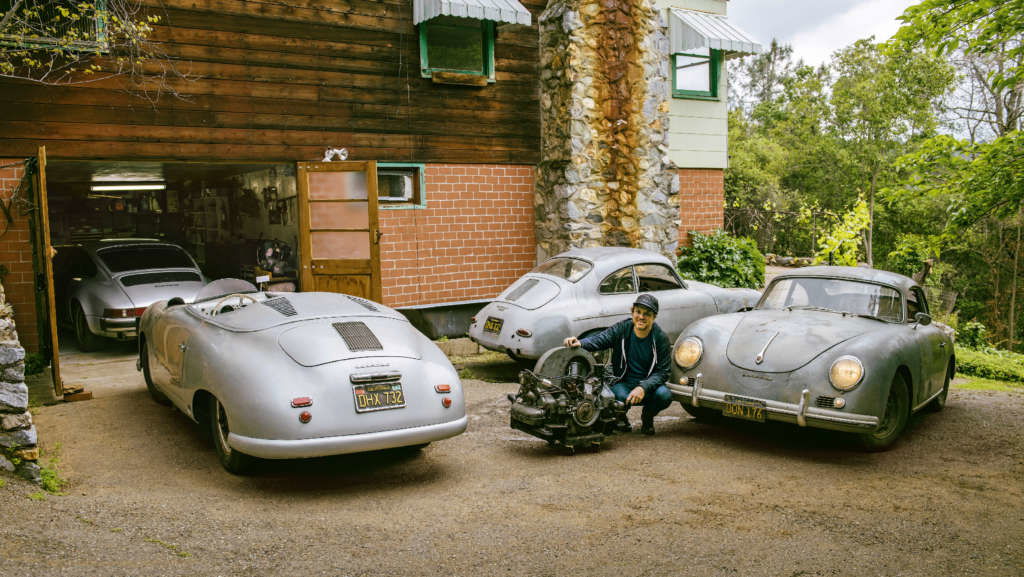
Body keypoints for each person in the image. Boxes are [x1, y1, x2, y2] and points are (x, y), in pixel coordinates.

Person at [563, 293, 672, 435]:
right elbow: (602, 338)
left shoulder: (660, 338)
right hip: (624, 382)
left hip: (649, 386)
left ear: (654, 317)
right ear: (632, 312)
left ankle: (647, 417)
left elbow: (663, 372)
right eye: (638, 312)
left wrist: (643, 387)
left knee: (665, 395)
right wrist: (580, 342)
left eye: (647, 314)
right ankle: (621, 418)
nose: (641, 317)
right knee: (613, 396)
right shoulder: (623, 328)